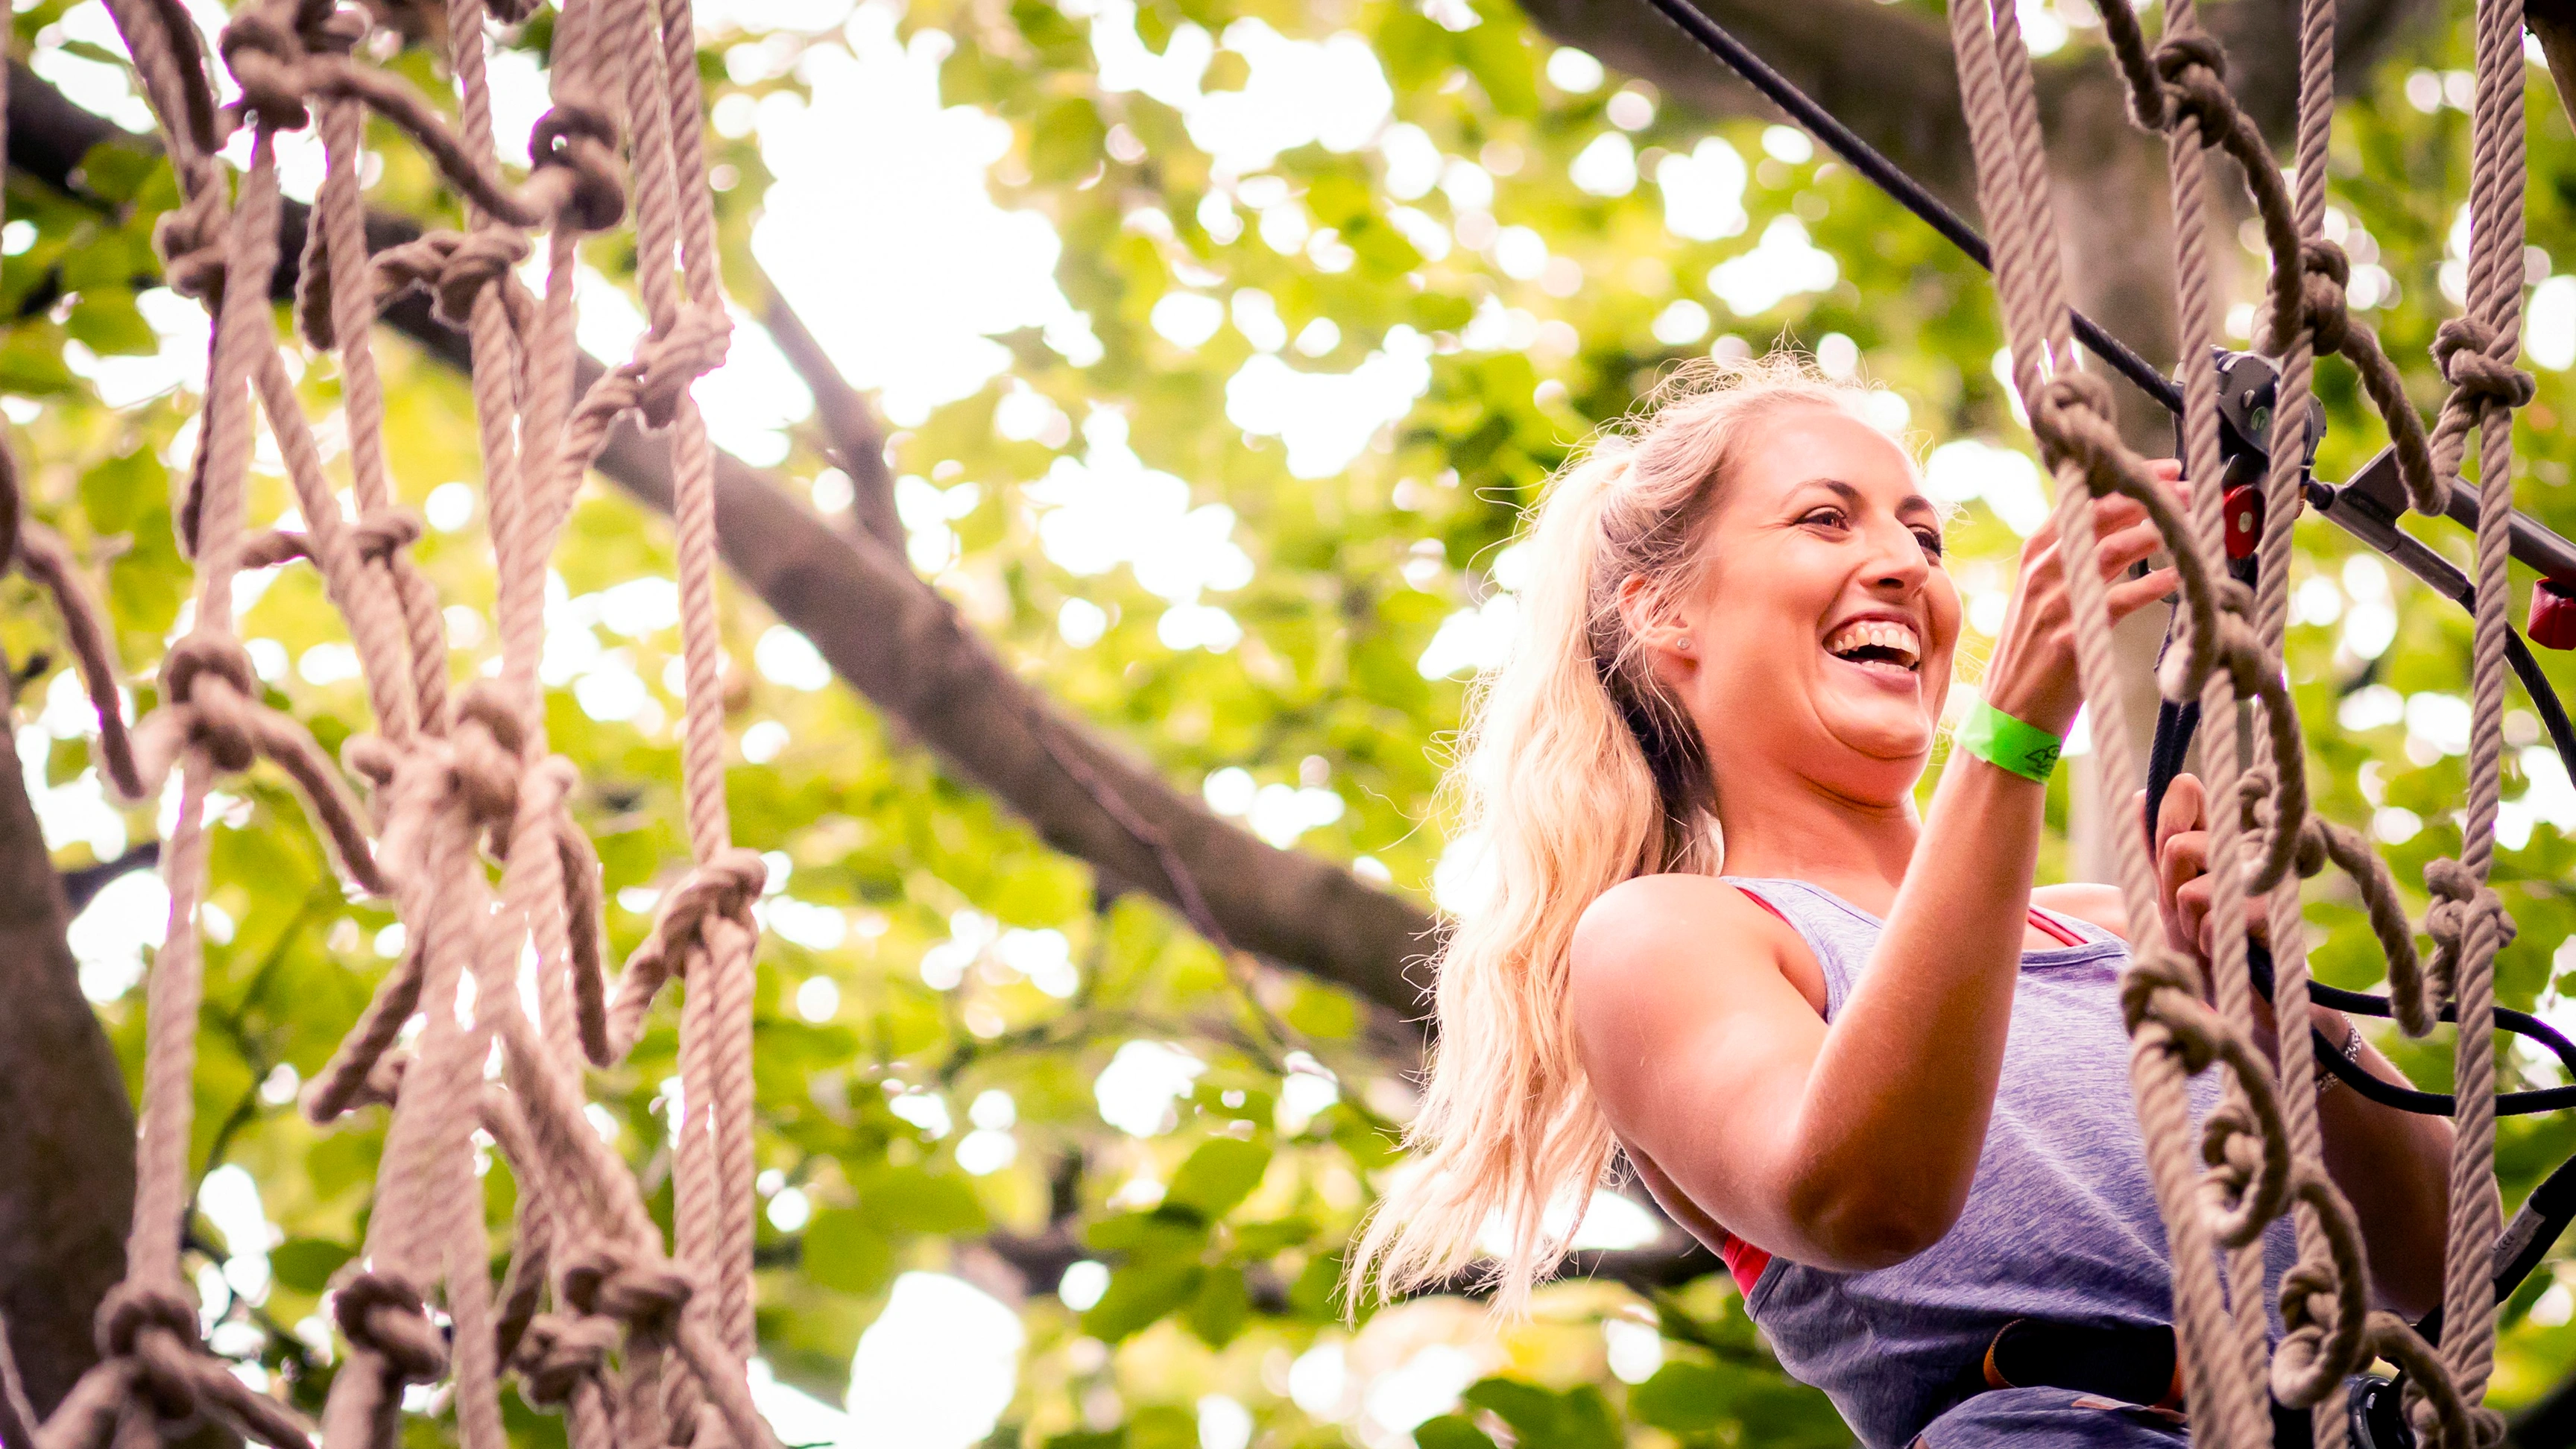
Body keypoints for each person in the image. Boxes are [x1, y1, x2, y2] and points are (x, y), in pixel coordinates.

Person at [1345, 354, 2456, 1447]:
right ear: (1663, 615)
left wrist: (2282, 1019)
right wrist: (2012, 733)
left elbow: (2442, 1255)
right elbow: (1862, 1203)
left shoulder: (2121, 926)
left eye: (1922, 538)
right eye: (1825, 522)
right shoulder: (1670, 935)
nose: (1902, 566)